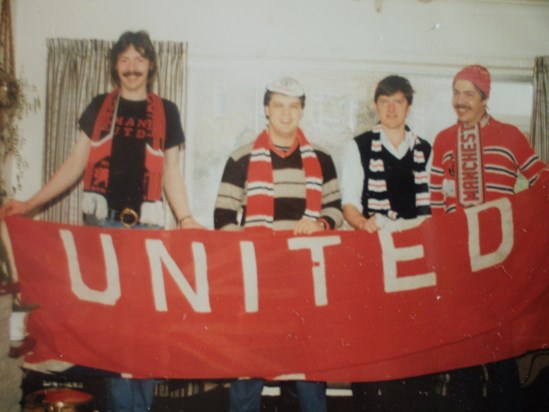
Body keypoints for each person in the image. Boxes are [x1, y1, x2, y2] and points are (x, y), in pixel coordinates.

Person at [0, 30, 201, 411]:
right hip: (101, 232)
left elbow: (172, 173)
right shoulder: (98, 106)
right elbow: (75, 165)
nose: (132, 67)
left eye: (139, 59)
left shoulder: (167, 111)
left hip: (147, 233)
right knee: (112, 332)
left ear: (152, 65)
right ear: (114, 66)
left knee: (144, 330)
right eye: (124, 59)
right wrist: (29, 204)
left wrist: (187, 217)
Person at [214, 76, 343, 412]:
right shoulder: (240, 157)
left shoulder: (324, 159)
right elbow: (223, 217)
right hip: (258, 282)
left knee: (310, 370)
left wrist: (319, 224)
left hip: (306, 282)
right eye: (279, 105)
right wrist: (253, 249)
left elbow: (335, 209)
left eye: (294, 106)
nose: (286, 113)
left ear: (302, 111)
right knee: (247, 369)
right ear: (266, 110)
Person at [429, 64, 549, 411]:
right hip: (459, 263)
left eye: (469, 93)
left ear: (484, 98)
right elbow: (436, 201)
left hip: (500, 262)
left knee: (501, 353)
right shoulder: (443, 140)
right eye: (456, 92)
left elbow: (540, 178)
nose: (460, 101)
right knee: (463, 351)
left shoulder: (511, 136)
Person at [340, 75, 437, 412]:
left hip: (416, 257)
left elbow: (435, 206)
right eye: (384, 101)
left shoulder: (427, 149)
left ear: (408, 105)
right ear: (376, 106)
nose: (391, 108)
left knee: (415, 340)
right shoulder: (359, 146)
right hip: (374, 253)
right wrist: (362, 223)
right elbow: (349, 203)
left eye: (398, 101)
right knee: (371, 340)